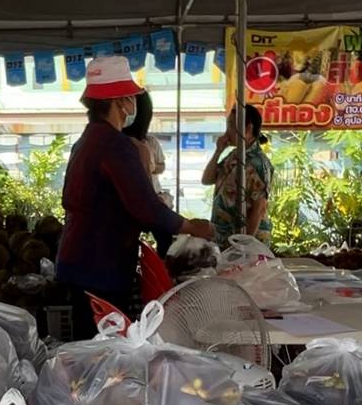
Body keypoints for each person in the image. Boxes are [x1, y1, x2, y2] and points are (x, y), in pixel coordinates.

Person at [57, 56, 215, 338]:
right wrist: (190, 226)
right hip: (100, 264)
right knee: (103, 348)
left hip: (81, 261)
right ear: (120, 102)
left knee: (90, 343)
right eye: (131, 97)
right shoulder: (114, 145)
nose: (134, 103)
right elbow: (145, 207)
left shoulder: (88, 140)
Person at [202, 104, 272, 244]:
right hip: (225, 237)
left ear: (248, 128)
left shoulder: (258, 163)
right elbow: (207, 179)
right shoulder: (234, 155)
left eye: (231, 125)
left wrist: (244, 244)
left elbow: (259, 208)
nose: (228, 131)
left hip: (243, 241)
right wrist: (218, 151)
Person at [122, 91, 174, 258]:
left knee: (165, 237)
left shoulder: (149, 142)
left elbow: (160, 166)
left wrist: (150, 167)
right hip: (137, 202)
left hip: (151, 197)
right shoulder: (121, 143)